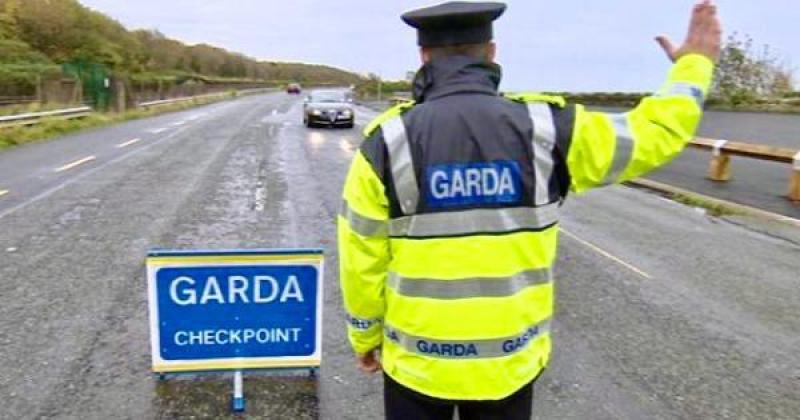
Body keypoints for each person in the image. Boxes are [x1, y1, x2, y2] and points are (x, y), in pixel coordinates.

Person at [338, 1, 721, 418]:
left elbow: (363, 261)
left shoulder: (385, 142)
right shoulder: (548, 128)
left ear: (423, 57)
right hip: (510, 365)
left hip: (417, 365)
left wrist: (365, 338)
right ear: (492, 52)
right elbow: (655, 134)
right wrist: (694, 66)